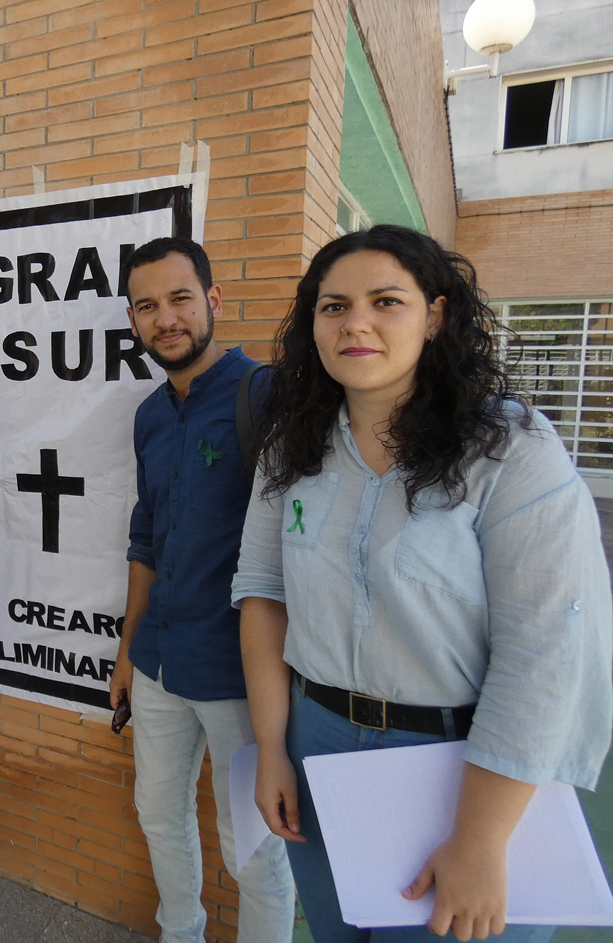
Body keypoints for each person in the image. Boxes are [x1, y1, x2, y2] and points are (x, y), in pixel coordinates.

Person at [233, 225, 612, 942]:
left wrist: (480, 839)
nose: (356, 324)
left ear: (435, 316)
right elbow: (262, 593)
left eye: (386, 301)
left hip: (462, 763)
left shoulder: (509, 450)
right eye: (334, 306)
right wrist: (273, 748)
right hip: (317, 746)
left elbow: (547, 650)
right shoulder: (292, 447)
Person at [108, 238, 295, 943]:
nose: (166, 319)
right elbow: (146, 539)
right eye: (147, 306)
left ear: (213, 300)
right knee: (159, 814)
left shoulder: (267, 395)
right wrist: (127, 650)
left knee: (255, 848)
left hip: (241, 675)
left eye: (180, 298)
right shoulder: (150, 416)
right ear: (133, 319)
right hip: (158, 663)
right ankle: (180, 932)